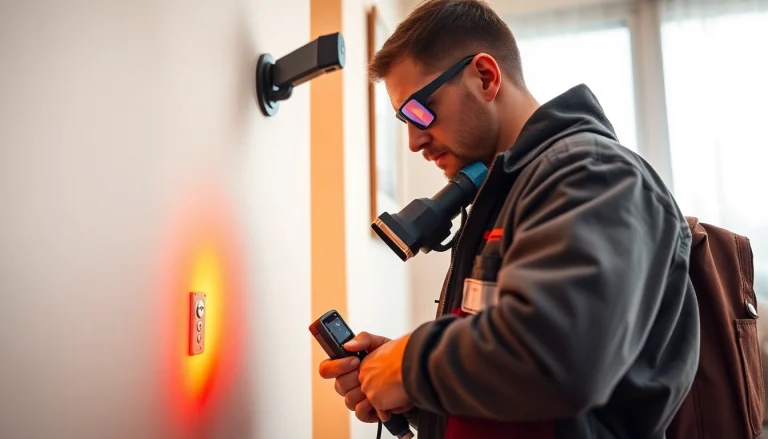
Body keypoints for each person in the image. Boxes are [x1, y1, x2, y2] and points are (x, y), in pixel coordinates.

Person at [318, 0, 701, 438]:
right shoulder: (510, 195)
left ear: (485, 76)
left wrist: (409, 364)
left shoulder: (592, 174)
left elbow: (559, 359)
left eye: (419, 112)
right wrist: (412, 393)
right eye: (403, 121)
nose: (413, 141)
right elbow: (512, 386)